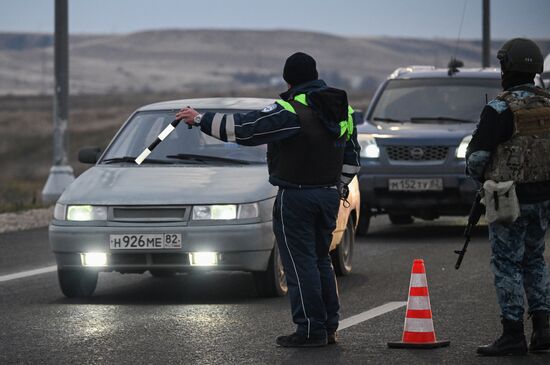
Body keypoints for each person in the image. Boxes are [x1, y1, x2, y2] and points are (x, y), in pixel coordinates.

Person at [176, 52, 361, 347]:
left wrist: (199, 119)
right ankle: (328, 327)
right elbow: (352, 160)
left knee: (301, 265)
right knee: (320, 260)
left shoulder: (290, 109)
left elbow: (246, 130)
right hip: (329, 196)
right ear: (315, 75)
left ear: (289, 80)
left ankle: (310, 331)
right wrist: (337, 187)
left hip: (296, 197)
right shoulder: (343, 111)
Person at [466, 38, 550, 356]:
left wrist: (479, 176)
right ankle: (543, 330)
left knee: (507, 262)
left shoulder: (500, 107)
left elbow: (476, 159)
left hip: (508, 198)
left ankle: (513, 333)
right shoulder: (548, 102)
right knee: (535, 260)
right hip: (544, 197)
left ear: (506, 68)